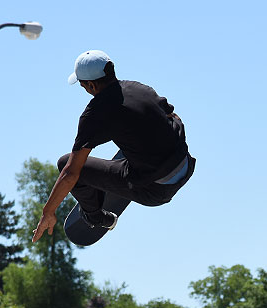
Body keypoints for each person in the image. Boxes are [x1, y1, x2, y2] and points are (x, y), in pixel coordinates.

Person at [32, 50, 195, 243]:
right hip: (184, 164)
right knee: (137, 125)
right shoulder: (139, 87)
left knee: (65, 163)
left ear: (91, 85)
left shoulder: (95, 113)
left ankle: (97, 217)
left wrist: (47, 212)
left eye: (83, 86)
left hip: (155, 189)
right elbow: (172, 116)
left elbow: (71, 173)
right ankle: (142, 152)